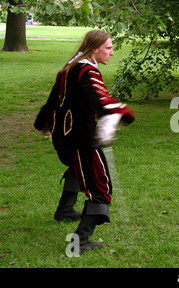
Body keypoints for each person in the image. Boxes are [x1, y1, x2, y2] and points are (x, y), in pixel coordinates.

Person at [34, 30, 135, 253]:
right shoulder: (86, 70)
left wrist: (43, 123)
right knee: (101, 186)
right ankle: (80, 242)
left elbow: (52, 100)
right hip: (81, 139)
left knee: (75, 170)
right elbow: (102, 99)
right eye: (108, 48)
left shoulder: (69, 67)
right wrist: (124, 113)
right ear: (94, 49)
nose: (112, 52)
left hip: (64, 138)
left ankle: (65, 211)